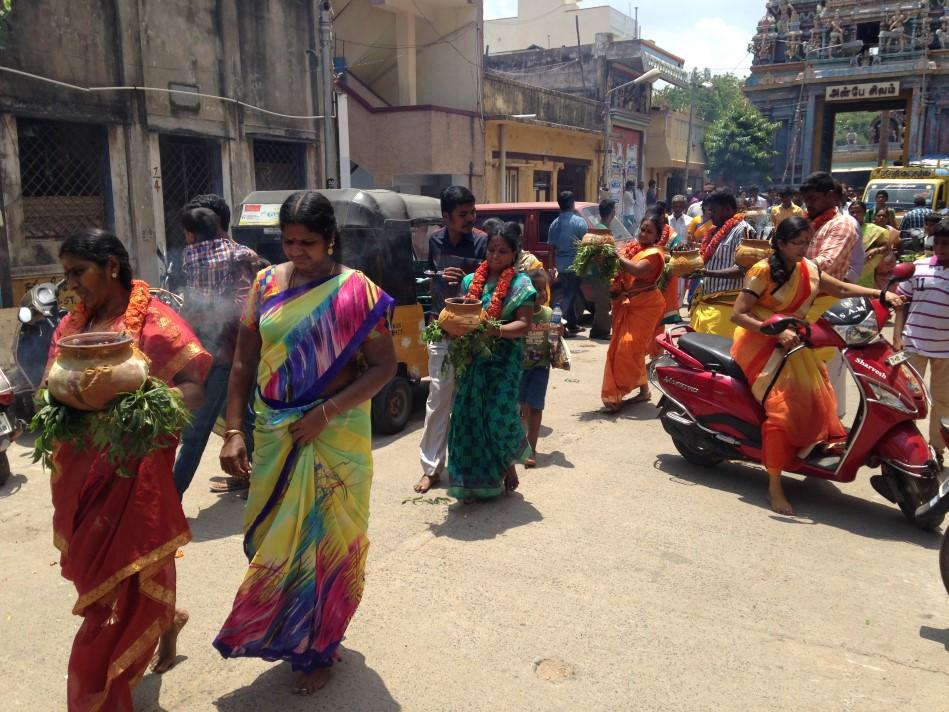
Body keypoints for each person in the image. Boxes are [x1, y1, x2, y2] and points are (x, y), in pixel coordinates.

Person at [216, 191, 397, 695]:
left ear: (331, 239)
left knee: (326, 545)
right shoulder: (265, 283)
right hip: (274, 432)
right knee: (277, 539)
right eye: (289, 241)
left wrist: (324, 414)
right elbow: (243, 363)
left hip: (333, 438)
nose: (297, 251)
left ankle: (319, 646)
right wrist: (234, 430)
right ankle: (287, 629)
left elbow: (384, 368)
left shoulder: (356, 292)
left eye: (309, 243)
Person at [48, 229, 211, 710]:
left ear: (112, 267)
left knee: (112, 600)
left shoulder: (156, 322)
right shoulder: (72, 325)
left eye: (79, 272)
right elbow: (53, 384)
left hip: (135, 475)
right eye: (67, 275)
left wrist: (141, 404)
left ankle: (101, 692)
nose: (72, 284)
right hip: (80, 476)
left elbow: (195, 391)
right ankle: (167, 619)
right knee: (98, 574)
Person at [730, 217, 906, 515]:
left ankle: (805, 450)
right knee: (782, 410)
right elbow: (738, 314)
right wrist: (773, 330)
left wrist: (881, 294)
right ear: (781, 243)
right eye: (797, 243)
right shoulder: (762, 271)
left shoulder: (807, 269)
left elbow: (842, 289)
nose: (803, 249)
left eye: (806, 243)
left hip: (794, 340)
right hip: (759, 342)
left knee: (820, 395)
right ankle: (774, 486)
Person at [173, 200, 262, 497]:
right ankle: (256, 475)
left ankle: (172, 495)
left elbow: (241, 309)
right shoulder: (236, 255)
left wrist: (198, 316)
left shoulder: (230, 264)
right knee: (242, 418)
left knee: (196, 430)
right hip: (214, 353)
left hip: (225, 355)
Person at [448, 227, 537, 500]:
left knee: (498, 417)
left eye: (502, 251)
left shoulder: (522, 285)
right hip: (472, 359)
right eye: (491, 250)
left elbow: (524, 325)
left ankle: (509, 465)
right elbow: (461, 314)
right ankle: (475, 483)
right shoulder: (470, 282)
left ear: (514, 254)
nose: (496, 256)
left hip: (504, 362)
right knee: (470, 418)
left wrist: (494, 331)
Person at [414, 186, 487, 494]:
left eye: (472, 213)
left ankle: (468, 466)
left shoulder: (483, 242)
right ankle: (431, 469)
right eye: (463, 214)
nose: (469, 219)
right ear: (446, 217)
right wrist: (440, 274)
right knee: (439, 399)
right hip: (441, 328)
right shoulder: (434, 240)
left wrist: (467, 277)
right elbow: (431, 274)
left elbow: (490, 280)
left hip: (473, 332)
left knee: (471, 401)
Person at [894, 218, 949, 467]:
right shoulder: (918, 267)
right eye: (937, 242)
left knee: (943, 401)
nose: (940, 248)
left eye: (946, 243)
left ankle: (937, 450)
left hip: (946, 351)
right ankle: (906, 448)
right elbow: (901, 303)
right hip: (913, 344)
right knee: (907, 399)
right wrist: (897, 338)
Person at [601, 213, 668, 412]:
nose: (644, 234)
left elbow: (637, 271)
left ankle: (617, 392)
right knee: (627, 348)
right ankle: (644, 392)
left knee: (628, 348)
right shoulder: (636, 249)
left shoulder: (655, 254)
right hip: (629, 304)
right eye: (643, 229)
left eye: (649, 231)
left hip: (647, 305)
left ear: (656, 236)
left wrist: (616, 255)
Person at [690, 189, 754, 339]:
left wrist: (706, 273)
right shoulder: (713, 231)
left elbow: (743, 269)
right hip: (705, 303)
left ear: (727, 209)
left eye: (713, 210)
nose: (710, 215)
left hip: (725, 310)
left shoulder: (744, 230)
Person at [519, 269, 555, 468]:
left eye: (544, 289)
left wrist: (558, 332)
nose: (541, 294)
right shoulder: (518, 314)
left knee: (536, 407)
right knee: (524, 407)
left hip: (540, 367)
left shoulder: (549, 314)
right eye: (536, 289)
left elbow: (555, 340)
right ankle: (525, 443)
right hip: (520, 368)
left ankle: (532, 448)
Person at [547, 190, 588, 336]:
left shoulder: (554, 224)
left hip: (561, 266)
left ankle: (572, 325)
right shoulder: (579, 222)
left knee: (569, 294)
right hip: (576, 265)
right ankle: (559, 326)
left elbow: (551, 249)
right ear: (572, 204)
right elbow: (587, 246)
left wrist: (552, 268)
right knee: (569, 296)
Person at [849, 200, 898, 289]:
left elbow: (886, 246)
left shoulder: (875, 230)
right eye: (852, 212)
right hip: (846, 273)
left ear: (864, 213)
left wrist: (875, 250)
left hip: (866, 274)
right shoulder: (843, 228)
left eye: (858, 212)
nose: (855, 215)